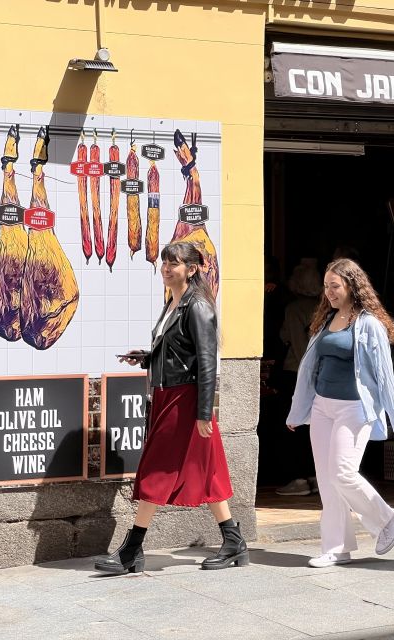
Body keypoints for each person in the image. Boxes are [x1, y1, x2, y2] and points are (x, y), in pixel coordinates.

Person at [94, 241, 248, 575]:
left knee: (155, 468)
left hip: (186, 398)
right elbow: (180, 350)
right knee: (204, 469)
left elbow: (207, 361)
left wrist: (205, 411)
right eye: (164, 262)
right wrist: (147, 358)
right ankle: (233, 541)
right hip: (168, 394)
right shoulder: (174, 302)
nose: (166, 268)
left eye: (173, 264)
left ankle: (131, 550)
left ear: (191, 270)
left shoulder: (198, 307)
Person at [287, 258, 394, 568]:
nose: (328, 292)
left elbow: (384, 373)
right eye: (326, 286)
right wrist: (297, 411)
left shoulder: (368, 323)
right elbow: (310, 369)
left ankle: (386, 519)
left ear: (352, 286)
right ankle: (336, 547)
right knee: (328, 480)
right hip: (322, 406)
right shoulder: (327, 317)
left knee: (342, 473)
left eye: (335, 286)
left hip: (355, 408)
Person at [276, 259, 323, 496]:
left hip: (297, 372)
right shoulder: (324, 308)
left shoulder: (294, 309)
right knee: (314, 427)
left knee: (294, 426)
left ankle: (298, 478)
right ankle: (314, 476)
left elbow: (297, 343)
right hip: (321, 374)